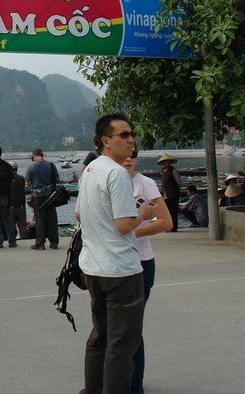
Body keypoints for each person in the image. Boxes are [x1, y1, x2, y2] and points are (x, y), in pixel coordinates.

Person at [75, 113, 155, 394]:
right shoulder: (117, 174)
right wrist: (143, 212)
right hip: (121, 271)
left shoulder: (90, 170)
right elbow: (124, 225)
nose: (131, 140)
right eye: (124, 135)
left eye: (131, 134)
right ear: (106, 141)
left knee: (100, 337)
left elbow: (79, 214)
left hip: (94, 269)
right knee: (122, 345)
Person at [121, 150, 172, 394]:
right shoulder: (106, 181)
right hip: (112, 264)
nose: (127, 159)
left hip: (141, 262)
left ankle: (134, 385)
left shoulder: (146, 184)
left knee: (132, 327)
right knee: (113, 326)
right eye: (123, 155)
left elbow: (165, 222)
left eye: (132, 155)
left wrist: (131, 234)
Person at [26, 147, 61, 250]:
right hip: (50, 196)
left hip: (37, 196)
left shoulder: (31, 167)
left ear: (34, 155)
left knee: (39, 219)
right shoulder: (51, 165)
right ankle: (54, 242)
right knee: (52, 219)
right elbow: (57, 179)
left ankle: (40, 243)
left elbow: (28, 183)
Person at [157, 153, 182, 232]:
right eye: (164, 162)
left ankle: (174, 227)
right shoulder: (162, 171)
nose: (166, 163)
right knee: (167, 212)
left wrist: (177, 192)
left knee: (173, 211)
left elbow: (178, 182)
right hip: (165, 194)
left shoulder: (173, 171)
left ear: (170, 162)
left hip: (173, 194)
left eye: (167, 162)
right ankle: (168, 226)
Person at [9, 161, 29, 240]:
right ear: (17, 169)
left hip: (11, 206)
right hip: (21, 206)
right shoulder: (22, 179)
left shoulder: (7, 179)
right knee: (22, 227)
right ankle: (24, 240)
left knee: (11, 226)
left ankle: (12, 241)